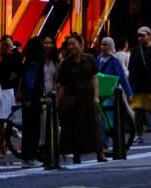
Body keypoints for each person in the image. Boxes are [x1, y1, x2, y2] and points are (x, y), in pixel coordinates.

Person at [56, 32, 105, 163]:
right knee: (75, 127)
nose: (71, 47)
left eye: (73, 44)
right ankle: (77, 154)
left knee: (94, 125)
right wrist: (58, 101)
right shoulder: (66, 64)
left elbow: (95, 77)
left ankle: (100, 152)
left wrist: (96, 96)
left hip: (88, 97)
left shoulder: (89, 58)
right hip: (73, 99)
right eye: (69, 45)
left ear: (80, 45)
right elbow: (63, 85)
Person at [20, 32, 59, 165]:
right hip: (34, 98)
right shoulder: (36, 63)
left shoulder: (29, 61)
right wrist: (29, 97)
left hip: (32, 98)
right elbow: (30, 82)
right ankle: (30, 157)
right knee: (33, 128)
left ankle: (28, 156)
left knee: (29, 128)